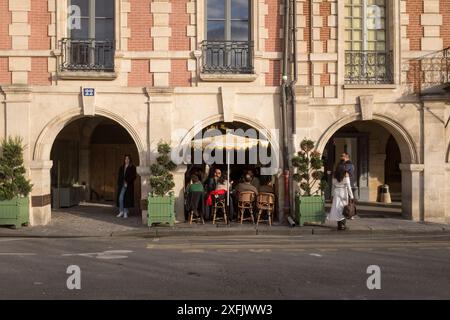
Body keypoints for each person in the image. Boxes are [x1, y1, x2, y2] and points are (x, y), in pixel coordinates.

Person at [328, 163, 354, 230]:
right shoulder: (346, 175)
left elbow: (333, 186)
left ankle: (339, 225)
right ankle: (343, 225)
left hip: (336, 192)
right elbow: (349, 187)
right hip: (343, 192)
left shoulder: (334, 175)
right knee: (344, 208)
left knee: (337, 209)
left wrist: (332, 195)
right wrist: (351, 196)